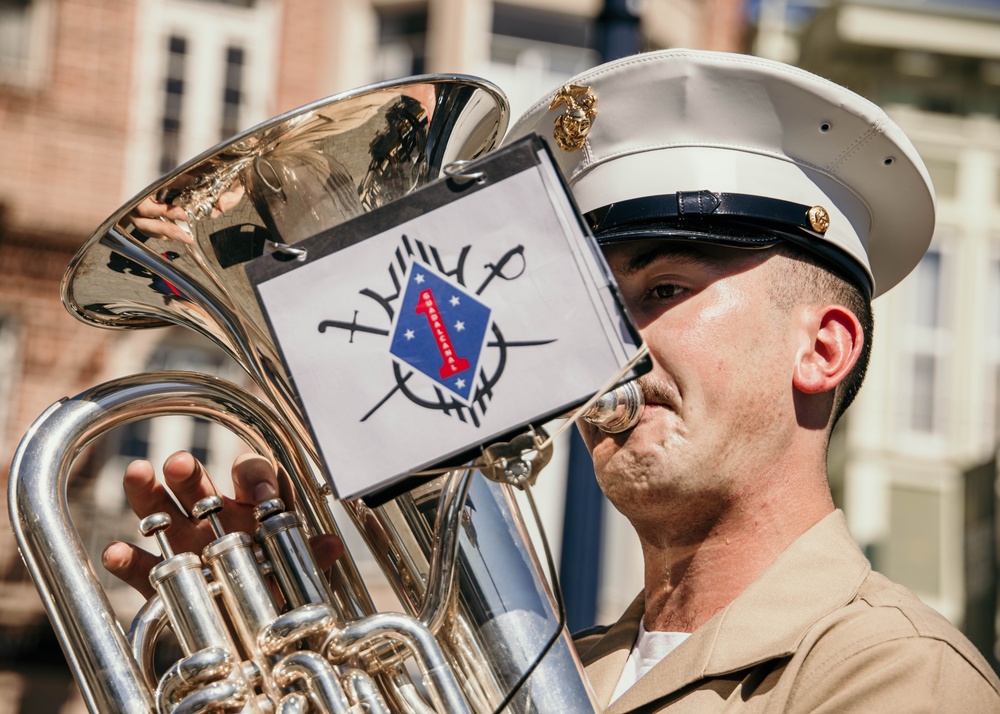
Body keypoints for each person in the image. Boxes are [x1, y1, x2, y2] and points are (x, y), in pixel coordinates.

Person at [104, 49, 1000, 711]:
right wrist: (263, 660)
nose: (608, 346)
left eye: (664, 290)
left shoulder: (895, 671)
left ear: (824, 349)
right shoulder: (559, 671)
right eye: (590, 307)